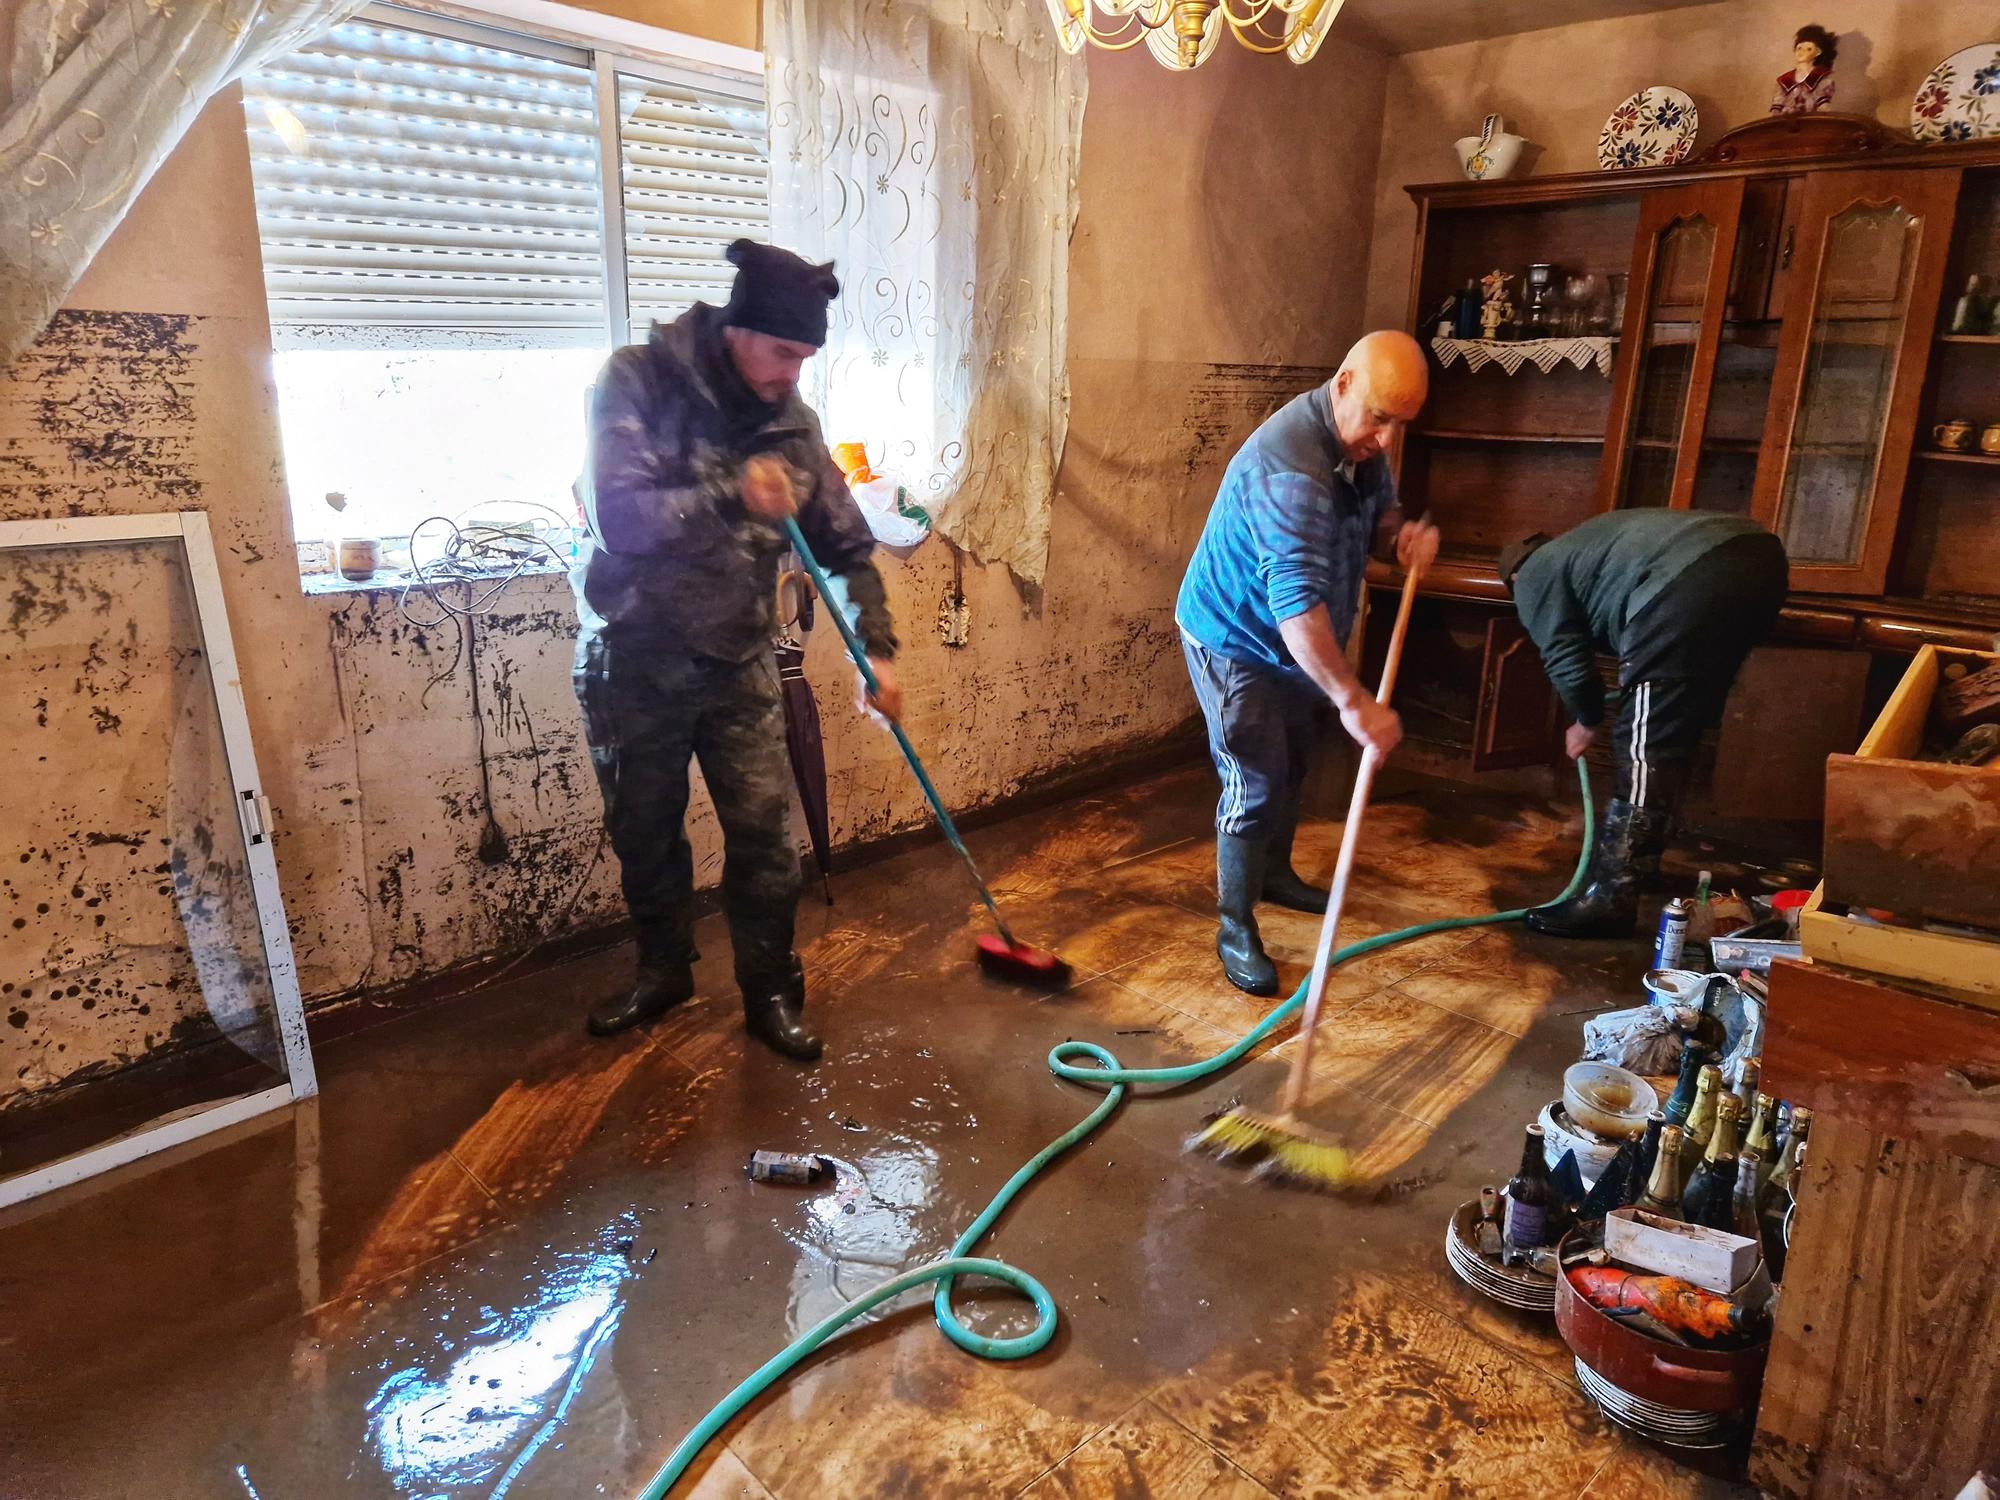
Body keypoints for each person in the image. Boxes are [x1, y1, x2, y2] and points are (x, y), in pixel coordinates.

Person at [571, 239, 902, 1060]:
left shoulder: (793, 423)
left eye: (808, 356)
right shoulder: (637, 380)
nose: (795, 371)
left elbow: (845, 543)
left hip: (738, 658)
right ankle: (663, 971)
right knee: (645, 829)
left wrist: (879, 648)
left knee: (763, 838)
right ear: (738, 329)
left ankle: (770, 992)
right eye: (786, 351)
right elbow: (620, 518)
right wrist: (731, 491)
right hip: (635, 655)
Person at [1175, 331, 1440, 996]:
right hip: (1237, 640)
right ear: (1344, 384)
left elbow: (1381, 511)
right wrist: (1353, 699)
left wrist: (1398, 537)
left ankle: (1276, 875)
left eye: (1399, 425)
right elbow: (1296, 609)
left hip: (1298, 639)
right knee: (1255, 780)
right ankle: (1235, 927)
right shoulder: (1291, 471)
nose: (1386, 440)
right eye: (1380, 419)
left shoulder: (1361, 443)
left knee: (1294, 759)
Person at [1498, 511, 1789, 939]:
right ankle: (1642, 866)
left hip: (1689, 581)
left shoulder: (1535, 574)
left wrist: (1586, 721)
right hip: (1759, 559)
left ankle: (1610, 897)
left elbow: (1566, 662)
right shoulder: (1587, 549)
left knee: (1644, 744)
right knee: (1675, 732)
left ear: (1514, 579)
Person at [1770, 24, 1837, 114]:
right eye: (1799, 48)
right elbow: (1776, 110)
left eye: (1808, 49)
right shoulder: (1784, 80)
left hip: (1811, 124)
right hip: (1786, 124)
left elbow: (1823, 109)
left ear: (1818, 52)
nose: (1801, 52)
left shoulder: (1821, 79)